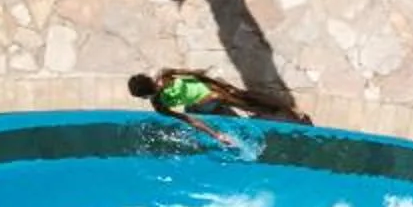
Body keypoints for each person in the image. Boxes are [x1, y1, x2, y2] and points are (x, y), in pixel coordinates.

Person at [130, 70, 308, 143]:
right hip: (211, 92)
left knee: (247, 103)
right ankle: (288, 109)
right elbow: (196, 75)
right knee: (245, 99)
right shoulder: (164, 76)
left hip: (210, 96)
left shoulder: (159, 103)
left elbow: (191, 120)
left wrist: (216, 134)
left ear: (145, 96)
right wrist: (221, 86)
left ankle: (285, 110)